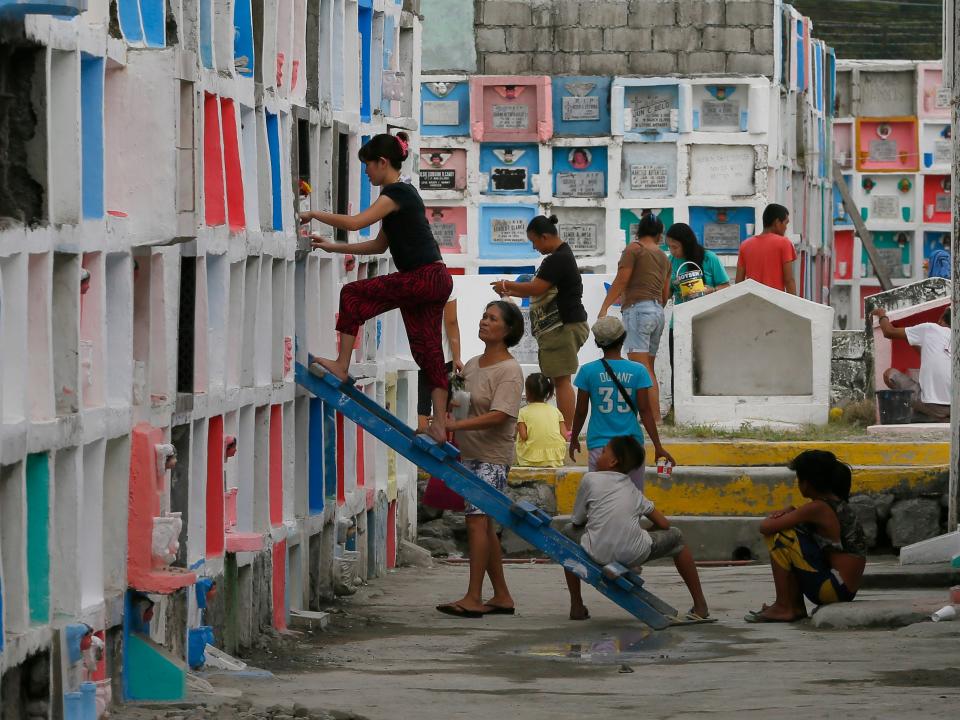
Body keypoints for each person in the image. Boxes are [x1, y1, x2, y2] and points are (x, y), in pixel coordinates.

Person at [300, 132, 452, 442]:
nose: (366, 171)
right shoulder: (403, 195)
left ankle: (342, 365)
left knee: (352, 294)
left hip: (423, 277)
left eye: (368, 165)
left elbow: (356, 223)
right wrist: (332, 247)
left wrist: (314, 213)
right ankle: (440, 425)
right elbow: (380, 246)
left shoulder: (395, 193)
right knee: (428, 352)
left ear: (383, 162)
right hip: (435, 279)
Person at [436, 300, 525, 618]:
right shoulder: (472, 364)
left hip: (491, 457)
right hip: (467, 454)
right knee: (483, 527)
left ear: (508, 330)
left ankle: (474, 597)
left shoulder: (510, 371)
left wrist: (456, 425)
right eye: (483, 316)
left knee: (477, 523)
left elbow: (500, 415)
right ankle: (501, 596)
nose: (484, 321)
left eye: (492, 318)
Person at [562, 436, 709, 622]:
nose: (600, 454)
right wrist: (644, 532)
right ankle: (700, 605)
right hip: (633, 554)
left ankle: (576, 605)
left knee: (566, 533)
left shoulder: (590, 479)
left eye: (604, 451)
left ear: (613, 461)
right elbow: (664, 524)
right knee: (677, 538)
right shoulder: (633, 491)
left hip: (596, 551)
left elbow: (577, 521)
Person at [491, 215, 589, 430]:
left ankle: (567, 431)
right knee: (559, 378)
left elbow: (536, 288)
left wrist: (507, 285)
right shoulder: (562, 255)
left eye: (534, 241)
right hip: (566, 325)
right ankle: (564, 427)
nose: (534, 247)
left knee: (562, 380)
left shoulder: (557, 259)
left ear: (545, 237)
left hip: (563, 325)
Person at [747, 450, 867, 623]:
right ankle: (793, 605)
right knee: (795, 537)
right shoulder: (834, 504)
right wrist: (791, 514)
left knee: (782, 536)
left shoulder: (817, 508)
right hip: (843, 588)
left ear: (807, 483)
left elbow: (766, 527)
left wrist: (787, 512)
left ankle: (784, 606)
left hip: (834, 588)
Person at [569, 316, 674, 491]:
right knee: (634, 497)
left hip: (599, 446)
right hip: (632, 446)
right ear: (623, 337)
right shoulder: (638, 370)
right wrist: (658, 446)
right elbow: (645, 411)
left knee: (599, 496)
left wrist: (574, 439)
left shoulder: (587, 371)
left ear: (598, 343)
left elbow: (580, 412)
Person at [598, 213, 671, 424]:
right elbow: (665, 295)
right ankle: (653, 416)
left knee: (640, 369)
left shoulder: (633, 249)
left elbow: (621, 280)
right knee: (648, 367)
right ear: (659, 235)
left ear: (639, 231)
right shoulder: (664, 257)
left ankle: (653, 418)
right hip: (657, 312)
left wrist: (604, 307)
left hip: (638, 311)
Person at [665, 222, 730, 400]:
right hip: (678, 322)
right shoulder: (671, 262)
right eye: (669, 246)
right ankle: (677, 404)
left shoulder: (709, 258)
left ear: (686, 243)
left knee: (703, 364)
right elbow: (667, 293)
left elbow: (726, 286)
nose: (672, 251)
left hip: (706, 320)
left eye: (675, 246)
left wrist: (709, 290)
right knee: (677, 363)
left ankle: (706, 400)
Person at [872, 306, 952, 422]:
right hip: (955, 407)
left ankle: (936, 417)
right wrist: (909, 338)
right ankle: (942, 418)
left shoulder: (930, 328)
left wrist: (881, 314)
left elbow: (889, 332)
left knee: (889, 374)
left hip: (931, 404)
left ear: (940, 320)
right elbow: (926, 355)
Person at [417, 287, 463, 433]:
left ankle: (422, 432)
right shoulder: (446, 284)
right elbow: (451, 322)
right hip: (443, 356)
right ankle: (444, 435)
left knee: (424, 401)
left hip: (421, 353)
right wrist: (457, 357)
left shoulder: (414, 281)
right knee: (448, 402)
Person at [735, 203, 798, 295]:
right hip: (775, 303)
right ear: (777, 222)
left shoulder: (745, 245)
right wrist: (794, 305)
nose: (786, 228)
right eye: (785, 223)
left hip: (752, 304)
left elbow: (739, 282)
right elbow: (789, 280)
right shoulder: (784, 243)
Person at [516, 373, 568, 467]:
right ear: (547, 392)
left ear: (528, 393)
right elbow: (565, 435)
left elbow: (523, 436)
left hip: (530, 459)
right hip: (555, 458)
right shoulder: (556, 411)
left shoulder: (522, 412)